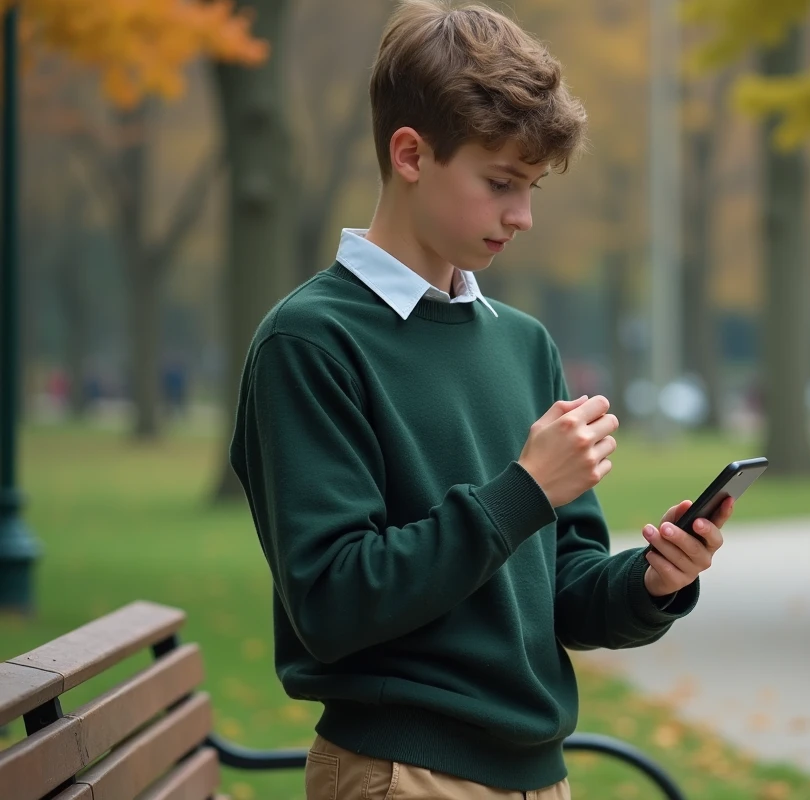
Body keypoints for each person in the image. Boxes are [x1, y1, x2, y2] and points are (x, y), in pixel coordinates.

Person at [228, 3, 734, 798]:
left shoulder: (522, 344)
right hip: (402, 774)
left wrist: (652, 584)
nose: (522, 216)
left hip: (540, 775)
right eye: (500, 183)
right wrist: (523, 491)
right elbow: (332, 601)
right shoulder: (310, 342)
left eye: (531, 187)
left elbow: (560, 590)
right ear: (410, 154)